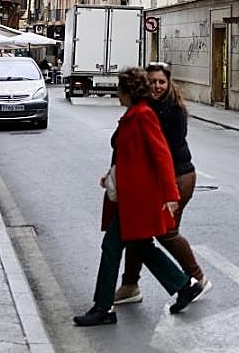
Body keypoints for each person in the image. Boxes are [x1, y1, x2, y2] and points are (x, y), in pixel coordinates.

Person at [73, 69, 206, 327]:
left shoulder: (144, 116)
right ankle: (184, 285)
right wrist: (112, 175)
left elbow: (162, 155)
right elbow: (129, 154)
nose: (117, 95)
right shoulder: (135, 114)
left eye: (119, 90)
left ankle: (103, 307)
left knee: (112, 247)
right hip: (132, 196)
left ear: (128, 91)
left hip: (139, 199)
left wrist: (170, 195)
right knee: (141, 246)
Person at [115, 61, 209, 305]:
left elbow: (163, 152)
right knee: (140, 233)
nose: (157, 86)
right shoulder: (145, 107)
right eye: (153, 82)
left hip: (178, 178)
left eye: (161, 82)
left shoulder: (171, 110)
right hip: (159, 180)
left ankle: (196, 278)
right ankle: (130, 284)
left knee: (166, 232)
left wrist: (168, 194)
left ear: (169, 84)